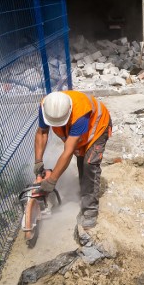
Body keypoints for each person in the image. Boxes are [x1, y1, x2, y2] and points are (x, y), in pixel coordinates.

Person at [34, 90, 112, 229]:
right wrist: (38, 161)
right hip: (78, 133)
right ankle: (85, 192)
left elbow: (68, 151)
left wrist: (52, 181)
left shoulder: (80, 113)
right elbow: (42, 132)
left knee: (89, 164)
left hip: (98, 127)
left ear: (69, 111)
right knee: (81, 161)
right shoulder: (46, 106)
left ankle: (90, 211)